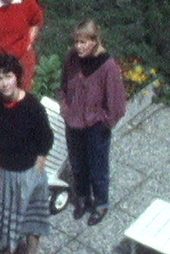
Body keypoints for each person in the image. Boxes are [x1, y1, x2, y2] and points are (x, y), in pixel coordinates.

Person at [0, 54, 53, 254]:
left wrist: (36, 171)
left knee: (31, 219)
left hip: (26, 172)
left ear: (17, 76)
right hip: (3, 171)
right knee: (5, 222)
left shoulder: (32, 107)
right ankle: (9, 250)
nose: (4, 83)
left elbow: (46, 139)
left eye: (8, 76)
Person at [58, 19, 127, 226]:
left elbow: (117, 106)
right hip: (73, 123)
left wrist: (103, 122)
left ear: (95, 41)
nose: (78, 47)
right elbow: (63, 84)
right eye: (76, 42)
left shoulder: (108, 67)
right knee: (77, 165)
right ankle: (82, 198)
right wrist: (65, 106)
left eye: (83, 42)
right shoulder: (72, 58)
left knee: (98, 168)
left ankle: (101, 204)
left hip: (96, 128)